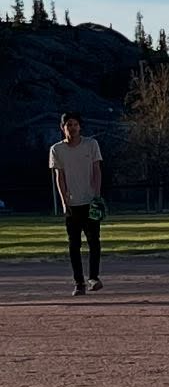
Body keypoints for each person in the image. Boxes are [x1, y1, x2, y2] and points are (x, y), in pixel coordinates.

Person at [49, 112, 104, 296]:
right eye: (68, 125)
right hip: (73, 204)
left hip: (90, 201)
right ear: (62, 128)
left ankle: (93, 278)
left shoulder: (91, 145)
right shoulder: (57, 150)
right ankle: (79, 282)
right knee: (74, 245)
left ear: (80, 126)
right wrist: (65, 202)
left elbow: (97, 170)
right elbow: (60, 177)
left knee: (94, 242)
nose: (72, 128)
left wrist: (96, 196)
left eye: (75, 124)